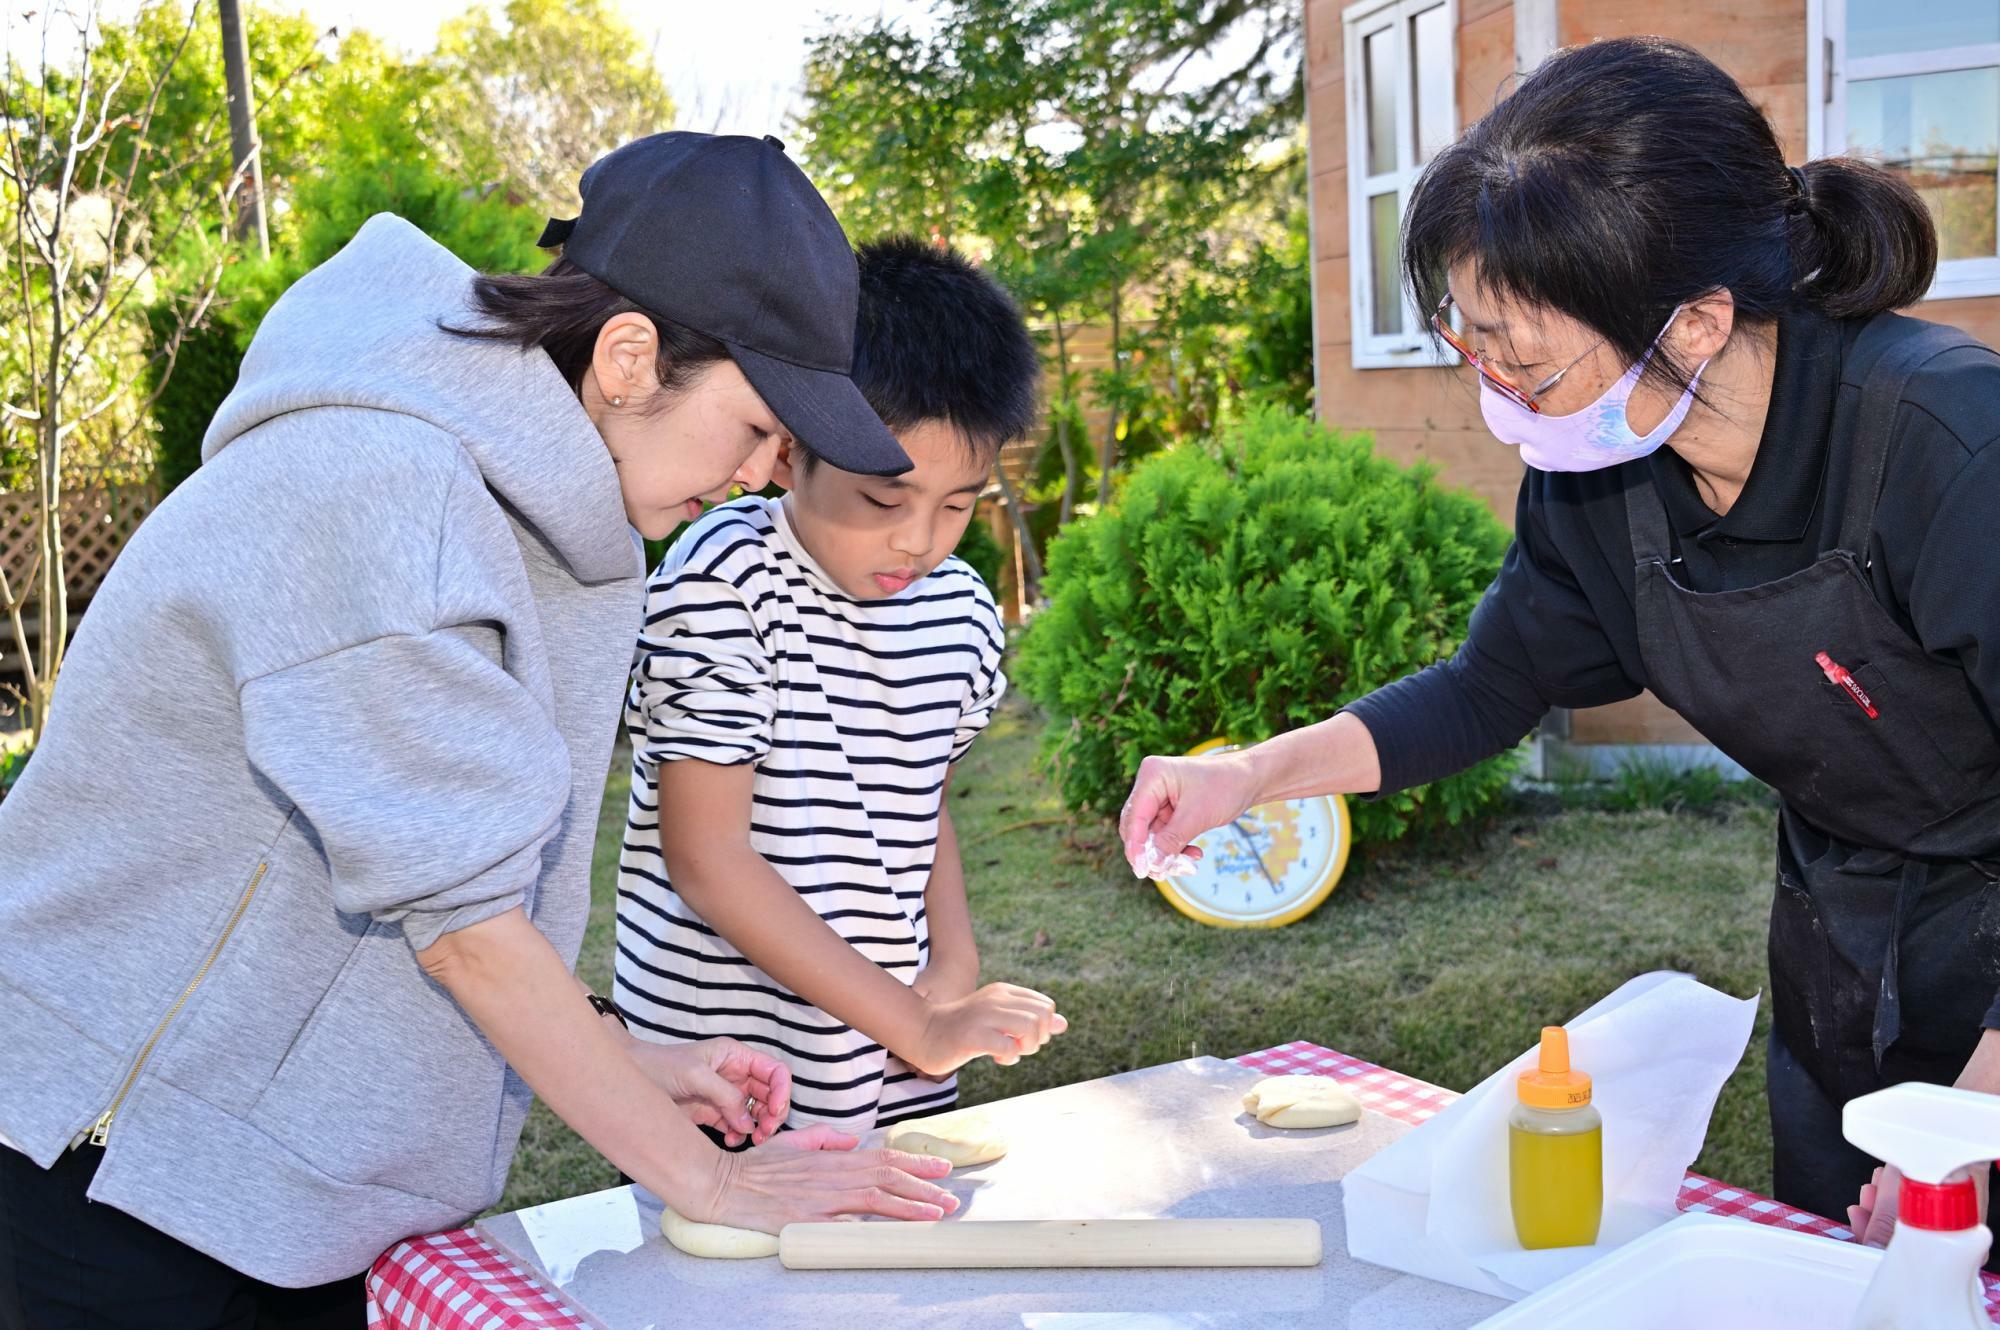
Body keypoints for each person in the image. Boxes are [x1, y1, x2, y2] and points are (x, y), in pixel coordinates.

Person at [0, 133, 962, 1329]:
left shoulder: (520, 496)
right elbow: (464, 931)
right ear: (627, 358)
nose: (770, 474)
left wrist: (623, 1057)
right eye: (761, 426)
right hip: (121, 1168)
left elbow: (424, 879)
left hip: (255, 1176)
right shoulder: (380, 484)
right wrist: (715, 1183)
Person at [1119, 37, 2000, 1259]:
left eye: (1523, 361)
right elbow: (1490, 685)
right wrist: (1254, 776)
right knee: (1837, 1269)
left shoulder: (1948, 441)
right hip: (1841, 942)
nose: (1495, 390)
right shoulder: (1602, 476)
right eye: (1471, 346)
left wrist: (1968, 1118)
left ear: (1693, 322)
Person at [616, 236, 1063, 1136]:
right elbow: (708, 861)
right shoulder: (723, 582)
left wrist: (952, 964)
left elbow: (920, 799)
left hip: (892, 1065)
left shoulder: (961, 613)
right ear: (788, 451)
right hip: (722, 1074)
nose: (919, 543)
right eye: (882, 502)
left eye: (958, 504)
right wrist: (920, 1022)